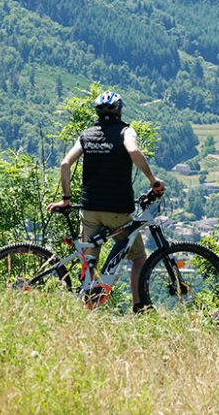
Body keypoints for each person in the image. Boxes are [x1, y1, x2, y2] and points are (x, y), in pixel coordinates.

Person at [48, 90, 166, 309]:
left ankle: (88, 308)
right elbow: (133, 150)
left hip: (90, 209)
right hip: (118, 210)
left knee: (89, 262)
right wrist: (152, 179)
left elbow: (65, 164)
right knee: (138, 258)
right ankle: (139, 306)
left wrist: (66, 198)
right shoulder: (125, 132)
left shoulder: (86, 135)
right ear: (120, 112)